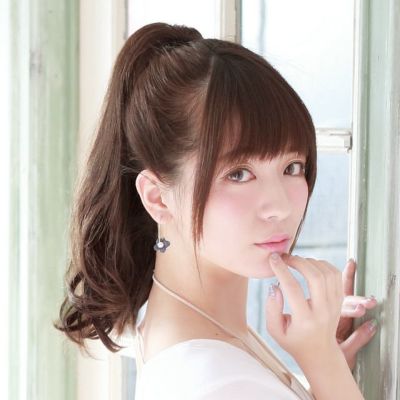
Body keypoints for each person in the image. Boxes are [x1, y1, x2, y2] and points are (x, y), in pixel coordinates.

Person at [54, 22, 378, 400]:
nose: (279, 206)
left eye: (292, 167)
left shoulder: (195, 332)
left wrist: (324, 376)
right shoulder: (215, 382)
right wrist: (322, 362)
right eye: (239, 174)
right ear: (158, 198)